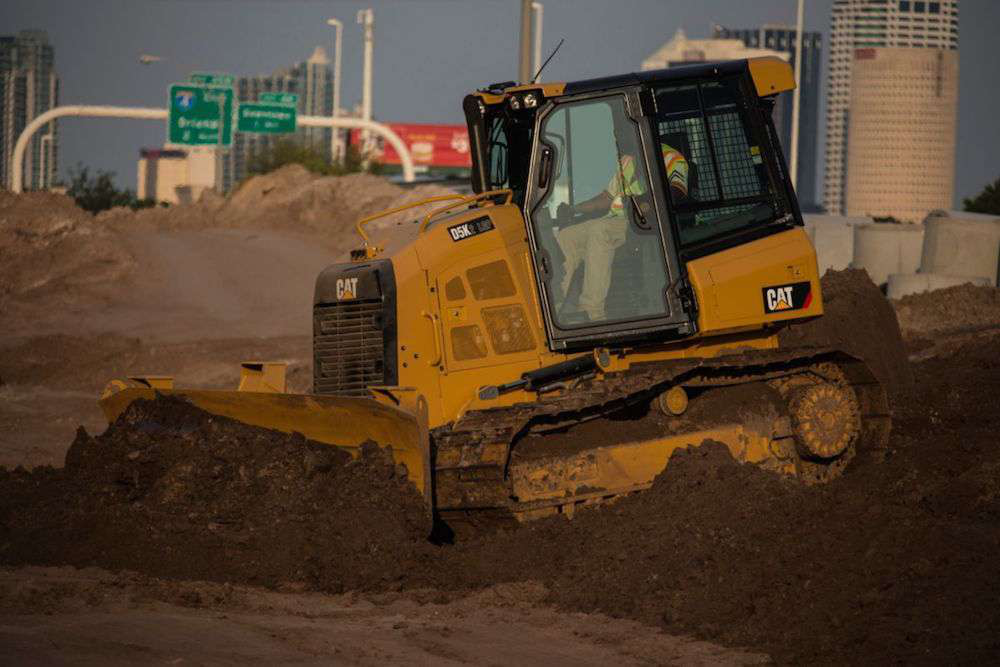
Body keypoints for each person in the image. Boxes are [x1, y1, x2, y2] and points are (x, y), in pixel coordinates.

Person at [555, 144, 688, 323]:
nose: (618, 140)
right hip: (616, 221)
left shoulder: (671, 158)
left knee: (599, 231)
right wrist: (573, 209)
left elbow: (677, 192)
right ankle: (555, 304)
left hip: (645, 225)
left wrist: (644, 202)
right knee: (566, 236)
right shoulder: (627, 161)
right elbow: (605, 199)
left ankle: (592, 312)